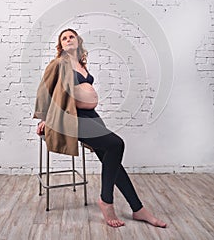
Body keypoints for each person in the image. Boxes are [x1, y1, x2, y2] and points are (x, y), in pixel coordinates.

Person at [34, 28, 167, 228]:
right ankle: (106, 201)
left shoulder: (81, 64)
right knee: (117, 144)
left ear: (78, 42)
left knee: (112, 161)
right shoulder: (58, 64)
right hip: (74, 120)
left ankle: (138, 209)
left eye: (72, 36)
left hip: (93, 119)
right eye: (64, 38)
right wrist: (44, 118)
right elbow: (44, 91)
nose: (69, 39)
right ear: (60, 45)